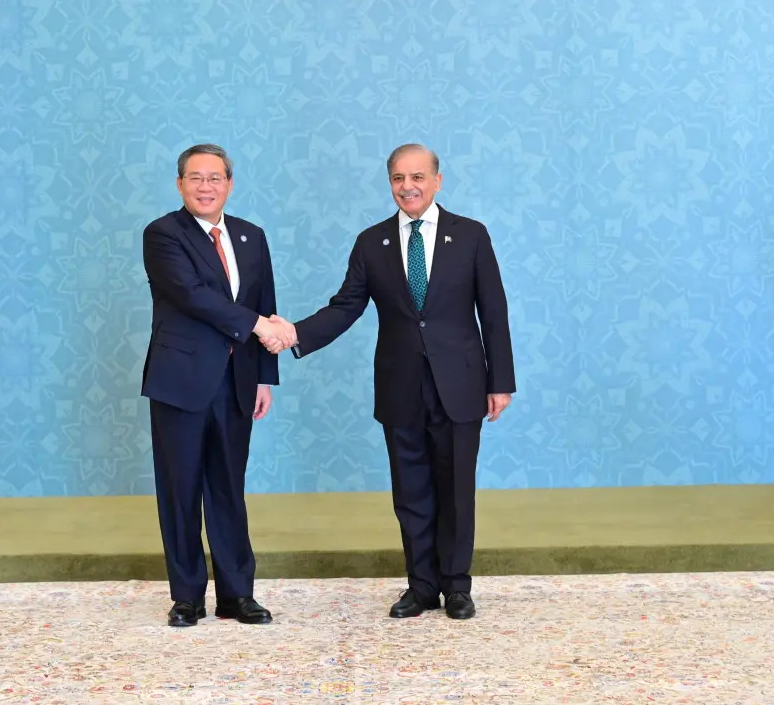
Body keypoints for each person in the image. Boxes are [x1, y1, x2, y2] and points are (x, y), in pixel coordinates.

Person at [263, 144, 515, 620]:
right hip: (401, 387)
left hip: (460, 385)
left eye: (418, 177)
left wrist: (500, 380)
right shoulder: (371, 242)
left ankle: (457, 587)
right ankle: (421, 587)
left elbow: (494, 311)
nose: (408, 186)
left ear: (438, 181)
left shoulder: (471, 236)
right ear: (390, 184)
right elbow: (345, 307)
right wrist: (294, 333)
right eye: (398, 178)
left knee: (457, 491)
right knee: (411, 493)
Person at [141, 143, 287, 627]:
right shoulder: (163, 234)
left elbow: (265, 299)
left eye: (216, 178)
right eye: (196, 178)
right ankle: (187, 597)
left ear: (230, 183)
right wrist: (261, 326)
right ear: (180, 183)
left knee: (228, 489)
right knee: (180, 489)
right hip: (180, 382)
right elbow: (192, 295)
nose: (206, 187)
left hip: (238, 382)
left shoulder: (252, 236)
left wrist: (266, 375)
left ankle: (237, 594)